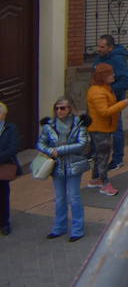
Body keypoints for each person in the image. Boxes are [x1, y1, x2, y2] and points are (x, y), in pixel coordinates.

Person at [37, 98, 90, 241]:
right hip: (57, 167)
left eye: (63, 108)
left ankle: (77, 229)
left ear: (69, 109)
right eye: (57, 108)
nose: (59, 111)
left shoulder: (79, 124)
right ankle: (59, 227)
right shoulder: (49, 125)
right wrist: (49, 150)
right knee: (60, 198)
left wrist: (60, 150)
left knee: (74, 197)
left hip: (74, 165)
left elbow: (82, 143)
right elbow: (40, 143)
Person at [86, 63, 128, 197]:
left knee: (100, 155)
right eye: (111, 73)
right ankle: (105, 184)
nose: (114, 75)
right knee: (103, 157)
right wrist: (122, 104)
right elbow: (104, 112)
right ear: (103, 76)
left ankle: (95, 179)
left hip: (103, 127)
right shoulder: (98, 92)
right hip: (100, 129)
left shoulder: (103, 88)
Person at [94, 34, 128, 169]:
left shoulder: (117, 60)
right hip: (98, 100)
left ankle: (117, 159)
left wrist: (109, 92)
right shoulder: (99, 58)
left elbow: (127, 80)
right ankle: (96, 155)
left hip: (113, 101)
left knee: (116, 129)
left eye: (102, 47)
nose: (99, 49)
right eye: (98, 46)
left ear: (110, 48)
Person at [0, 100, 17, 236]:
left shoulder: (11, 128)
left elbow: (12, 148)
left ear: (3, 115)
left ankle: (4, 223)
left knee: (3, 195)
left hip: (3, 166)